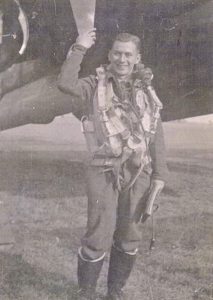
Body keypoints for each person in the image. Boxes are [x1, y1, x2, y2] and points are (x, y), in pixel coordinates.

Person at [58, 30, 168, 300]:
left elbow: (156, 132)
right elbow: (65, 83)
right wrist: (80, 47)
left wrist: (160, 174)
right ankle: (85, 292)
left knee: (130, 233)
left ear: (137, 57)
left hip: (138, 170)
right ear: (110, 55)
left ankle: (115, 291)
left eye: (128, 54)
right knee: (98, 234)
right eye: (117, 53)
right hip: (103, 169)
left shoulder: (146, 89)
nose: (122, 59)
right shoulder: (94, 84)